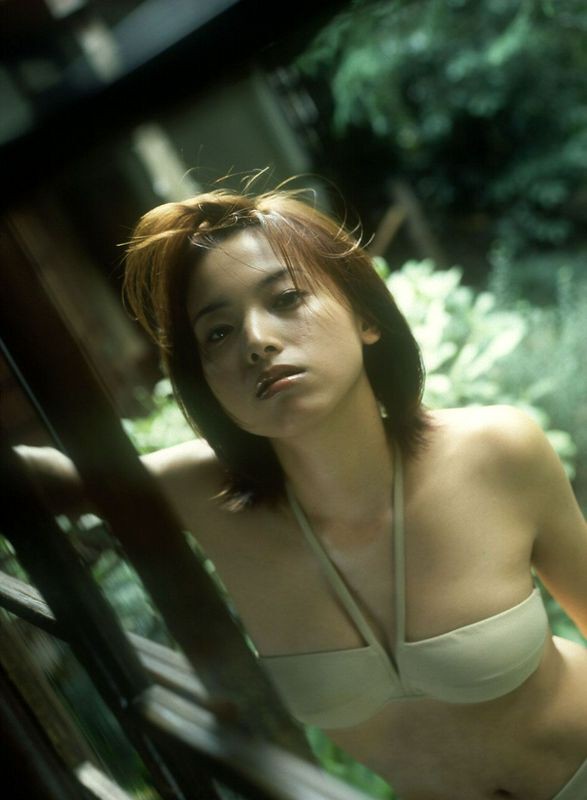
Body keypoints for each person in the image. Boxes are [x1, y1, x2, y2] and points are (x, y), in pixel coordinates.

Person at [18, 184, 587, 799]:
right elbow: (46, 481)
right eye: (217, 333)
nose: (256, 340)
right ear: (205, 381)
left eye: (286, 298)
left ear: (366, 318)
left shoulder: (495, 449)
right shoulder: (202, 491)